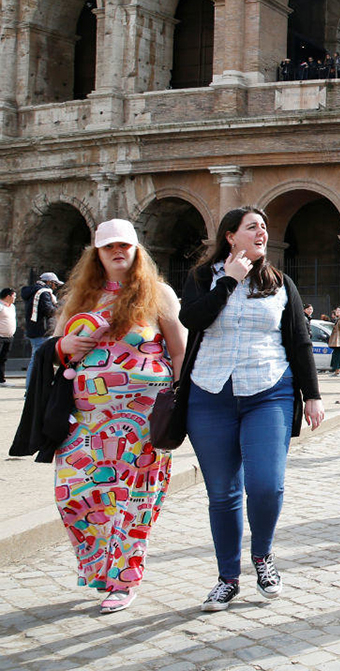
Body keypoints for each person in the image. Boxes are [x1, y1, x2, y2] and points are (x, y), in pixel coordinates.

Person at [175, 206, 324, 612]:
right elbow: (193, 319)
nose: (262, 232)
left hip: (267, 392)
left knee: (265, 485)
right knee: (222, 495)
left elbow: (299, 341)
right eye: (252, 227)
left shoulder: (280, 283)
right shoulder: (202, 278)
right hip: (210, 395)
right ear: (230, 236)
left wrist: (312, 395)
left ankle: (262, 556)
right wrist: (228, 282)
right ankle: (227, 578)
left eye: (264, 227)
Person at [44, 219, 185, 614]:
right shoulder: (81, 298)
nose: (117, 252)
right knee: (74, 494)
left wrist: (178, 401)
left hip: (142, 425)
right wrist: (64, 346)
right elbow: (58, 349)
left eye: (125, 245)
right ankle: (100, 569)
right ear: (97, 254)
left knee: (132, 503)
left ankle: (124, 580)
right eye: (108, 247)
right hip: (86, 423)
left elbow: (178, 352)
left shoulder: (159, 295)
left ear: (138, 251)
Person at [22, 271, 61, 387]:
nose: (55, 287)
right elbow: (49, 311)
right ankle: (31, 389)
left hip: (35, 330)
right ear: (49, 282)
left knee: (37, 360)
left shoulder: (34, 292)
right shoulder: (43, 293)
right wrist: (60, 307)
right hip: (42, 331)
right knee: (37, 361)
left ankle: (33, 388)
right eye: (55, 284)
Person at [0, 288, 14, 387]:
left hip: (8, 336)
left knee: (3, 358)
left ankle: (1, 379)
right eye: (14, 296)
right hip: (0, 336)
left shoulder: (12, 306)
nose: (15, 298)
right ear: (8, 296)